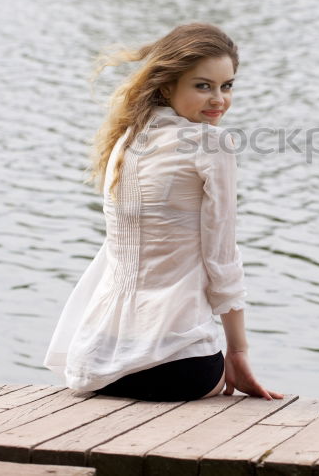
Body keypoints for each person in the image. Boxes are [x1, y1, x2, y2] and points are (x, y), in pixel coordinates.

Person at [44, 23, 282, 402]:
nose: (218, 99)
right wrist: (237, 354)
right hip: (178, 369)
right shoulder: (211, 143)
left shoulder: (126, 139)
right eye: (203, 86)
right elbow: (221, 258)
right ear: (167, 85)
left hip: (96, 361)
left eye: (227, 86)